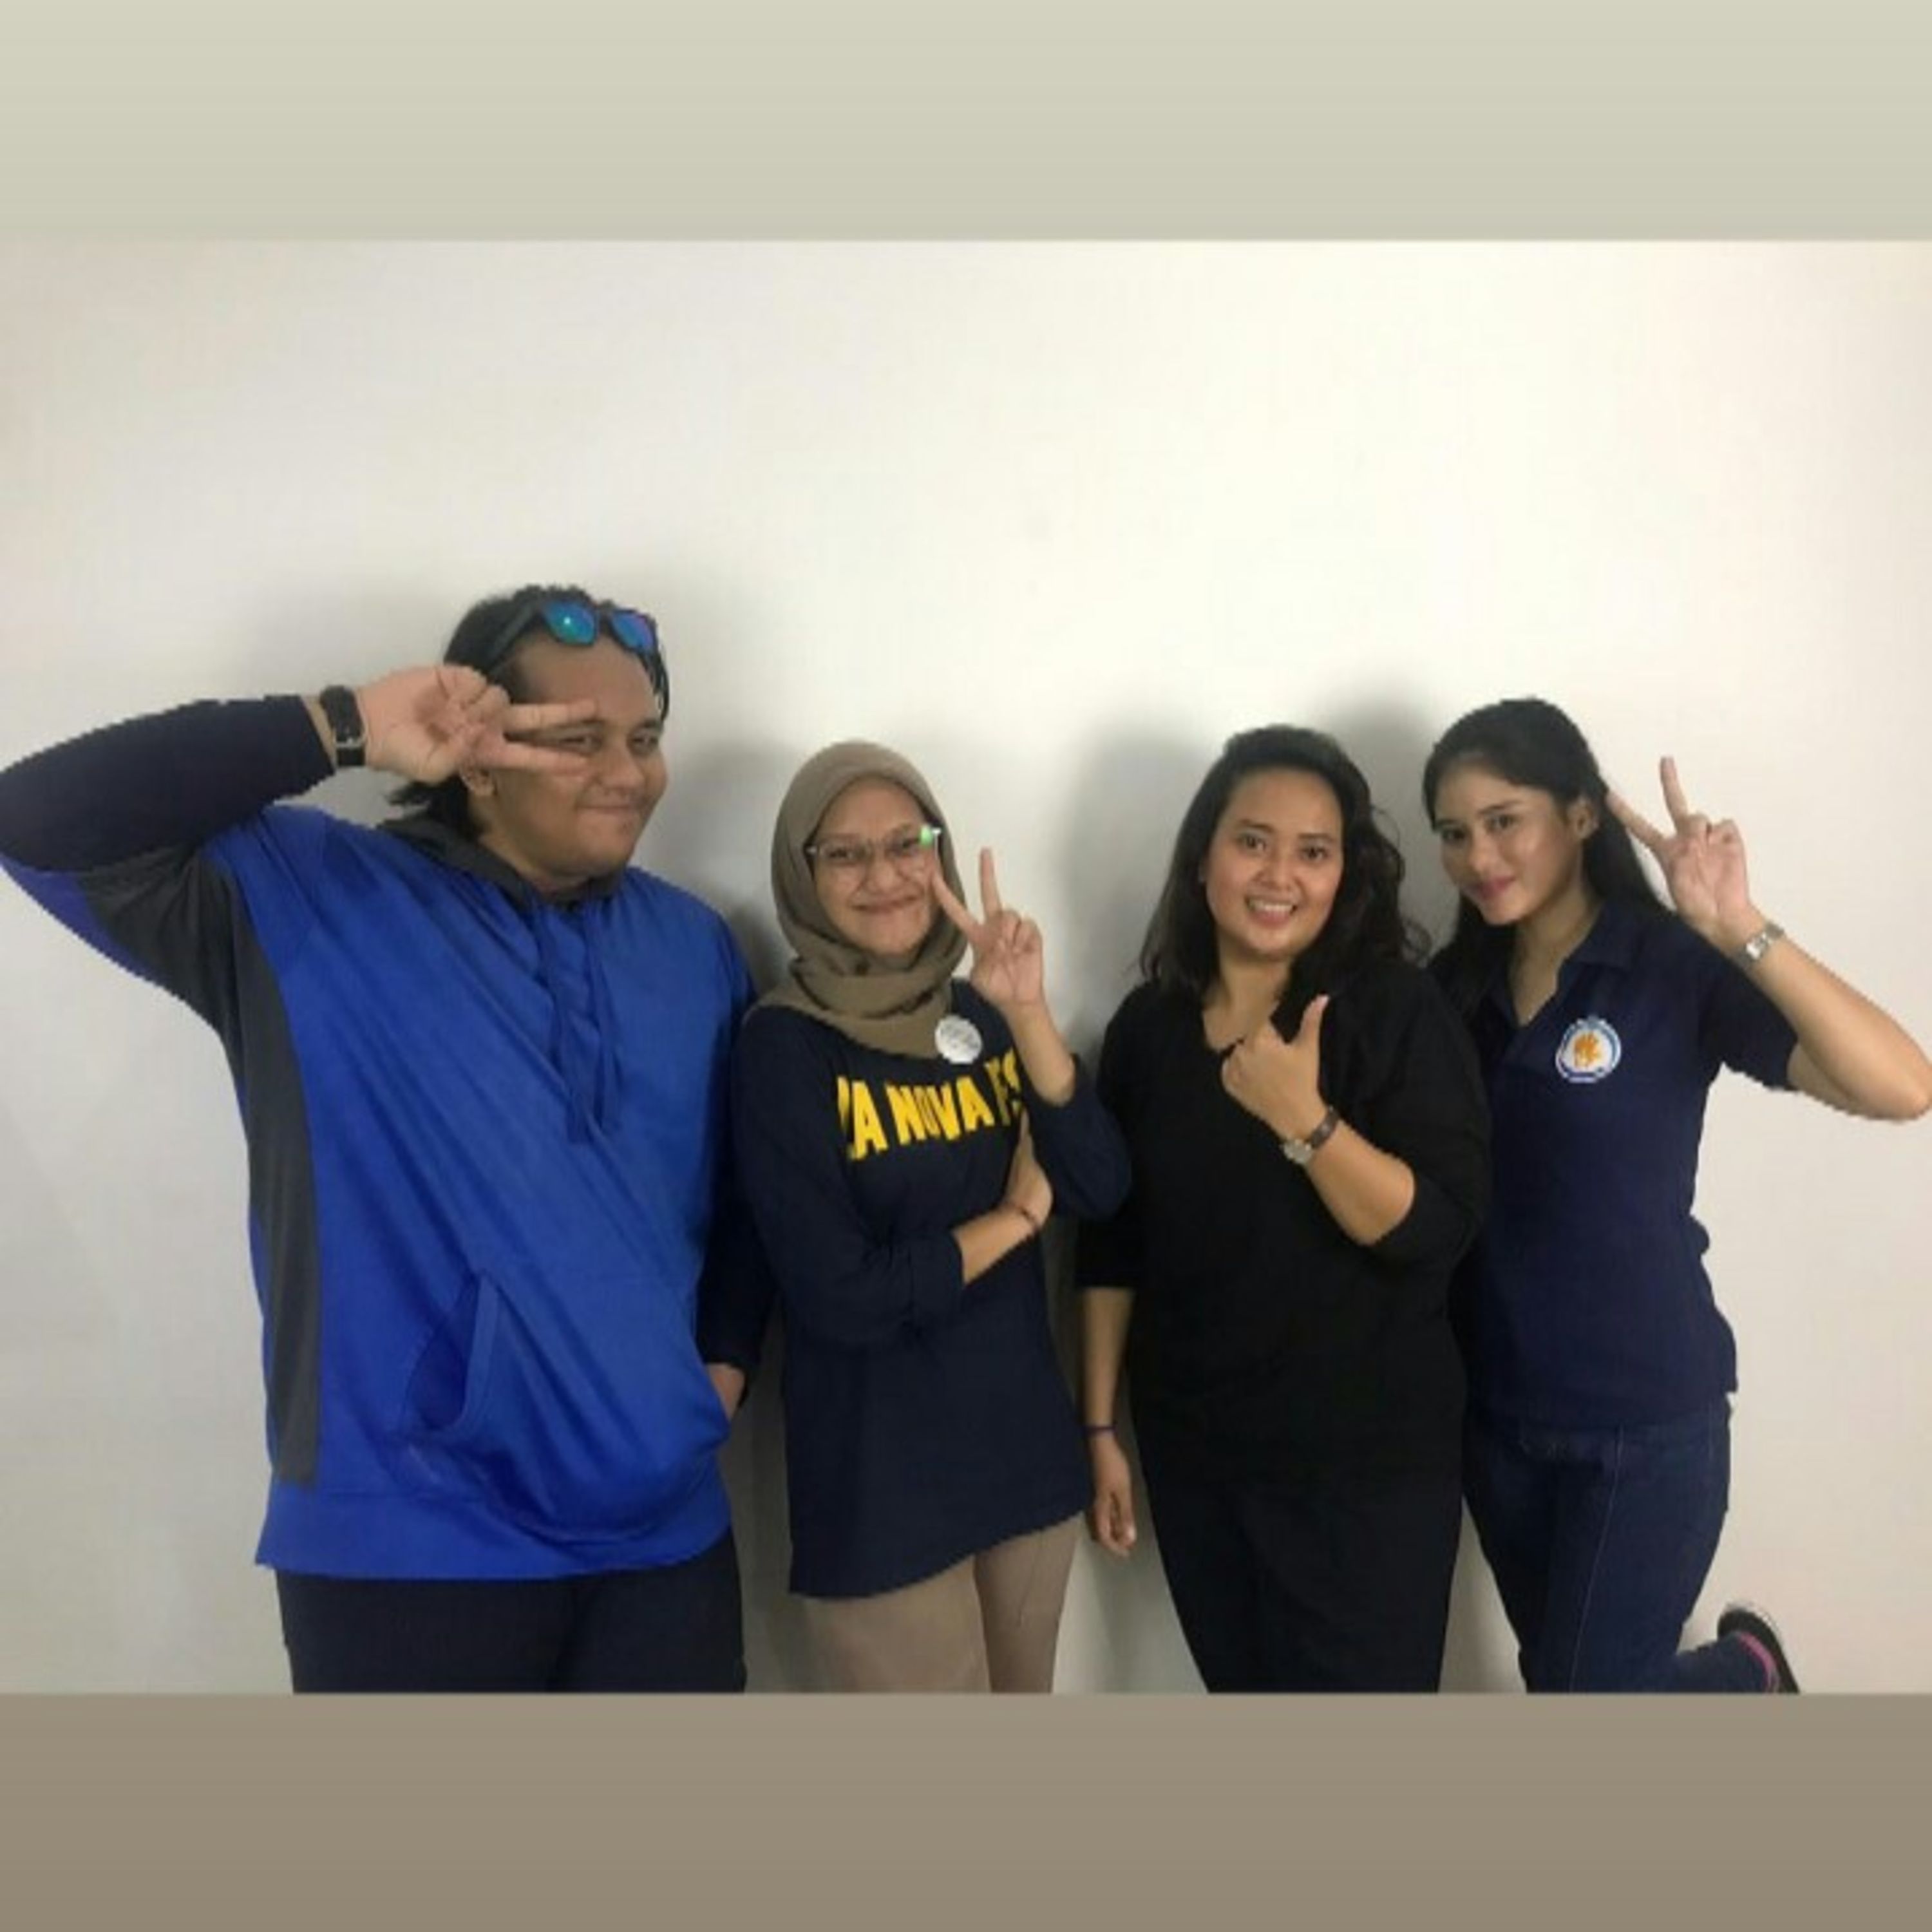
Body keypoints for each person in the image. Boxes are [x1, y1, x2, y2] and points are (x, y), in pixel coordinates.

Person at [0, 585, 773, 1692]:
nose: (629, 772)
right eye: (580, 740)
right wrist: (346, 723)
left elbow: (746, 1192)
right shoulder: (303, 896)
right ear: (481, 759)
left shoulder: (694, 945)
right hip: (407, 1548)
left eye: (644, 739)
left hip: (665, 1546)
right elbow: (35, 817)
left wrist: (720, 1373)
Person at [1423, 697, 1932, 1693]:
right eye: (1453, 833)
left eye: (1504, 821)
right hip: (1497, 1414)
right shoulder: (1449, 992)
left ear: (1581, 815)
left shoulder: (1669, 966)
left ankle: (1747, 1674)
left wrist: (1737, 925)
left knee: (1590, 1709)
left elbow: (1901, 1086)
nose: (1477, 856)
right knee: (1566, 1691)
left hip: (1644, 1418)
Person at [1077, 726, 1490, 1692]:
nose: (1280, 876)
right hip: (1197, 1460)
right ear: (1203, 859)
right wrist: (1098, 1431)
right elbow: (1112, 1245)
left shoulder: (1392, 1010)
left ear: (1346, 875)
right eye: (1253, 842)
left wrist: (1304, 1121)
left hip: (1365, 1474)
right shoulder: (1148, 1029)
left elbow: (1436, 1230)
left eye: (1314, 852)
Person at [730, 741, 1129, 1691]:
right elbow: (843, 1297)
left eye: (909, 843)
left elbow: (1101, 1184)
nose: (885, 876)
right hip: (881, 1491)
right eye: (846, 853)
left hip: (1024, 1464)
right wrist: (1015, 1222)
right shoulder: (783, 1047)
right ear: (803, 872)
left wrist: (1029, 1015)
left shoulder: (986, 1018)